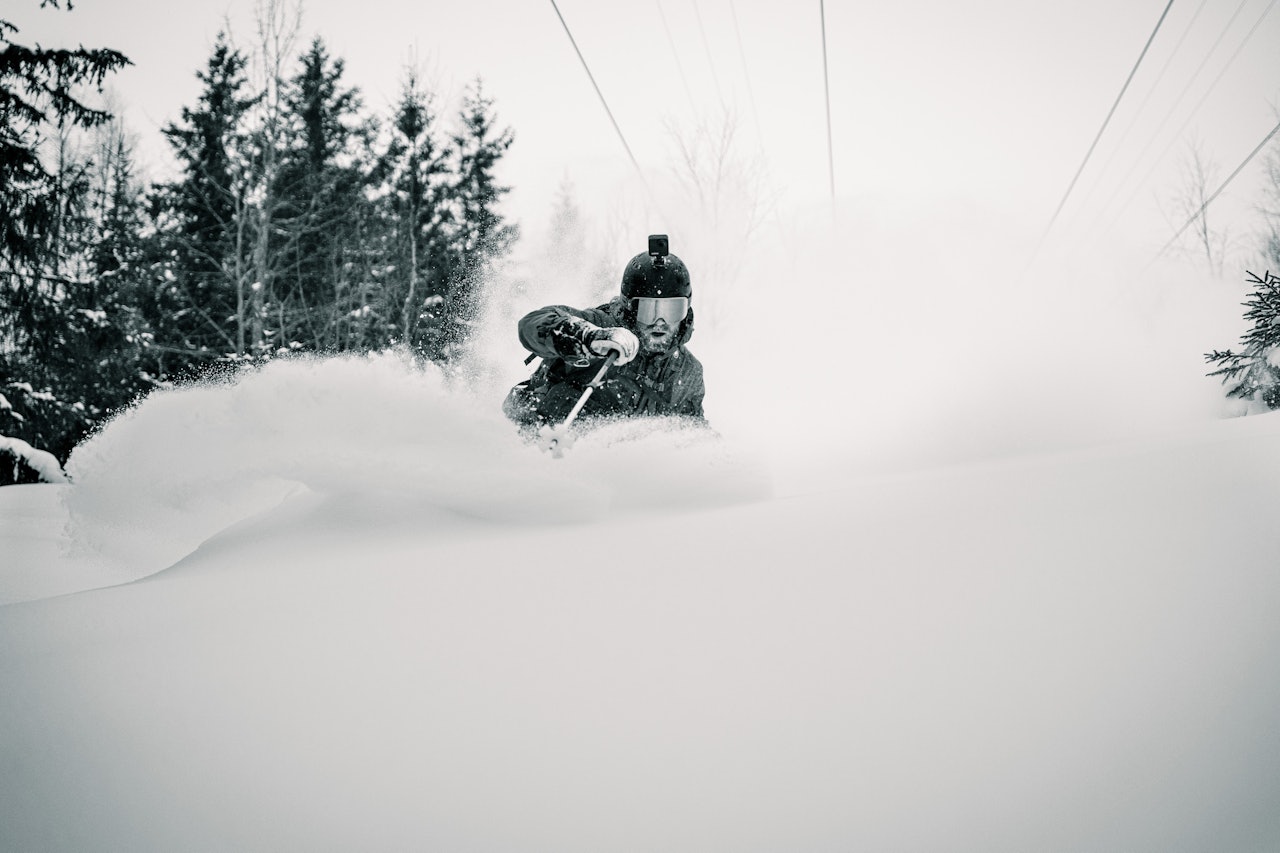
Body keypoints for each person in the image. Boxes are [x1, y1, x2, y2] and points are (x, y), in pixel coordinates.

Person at [503, 234, 705, 430]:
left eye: (672, 311)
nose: (660, 323)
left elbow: (692, 431)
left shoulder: (686, 372)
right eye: (648, 310)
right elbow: (531, 324)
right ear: (630, 309)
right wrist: (587, 337)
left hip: (612, 460)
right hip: (540, 436)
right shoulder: (603, 327)